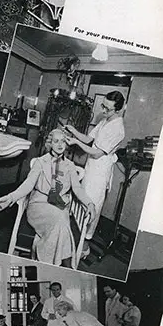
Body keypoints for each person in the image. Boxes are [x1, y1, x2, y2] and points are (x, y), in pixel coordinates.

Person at [0, 129, 95, 267]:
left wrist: (90, 204)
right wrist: (11, 197)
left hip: (60, 206)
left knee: (61, 222)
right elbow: (28, 184)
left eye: (63, 141)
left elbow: (77, 189)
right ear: (50, 143)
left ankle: (44, 263)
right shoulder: (40, 162)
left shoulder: (70, 166)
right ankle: (65, 265)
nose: (60, 144)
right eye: (56, 141)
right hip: (39, 205)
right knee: (61, 223)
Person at [64, 91, 126, 258]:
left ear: (118, 110)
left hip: (100, 172)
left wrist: (75, 142)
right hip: (91, 167)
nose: (104, 110)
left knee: (92, 205)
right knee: (81, 202)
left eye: (108, 108)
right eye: (103, 106)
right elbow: (88, 139)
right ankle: (75, 239)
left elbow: (97, 153)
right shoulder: (106, 120)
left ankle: (84, 246)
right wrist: (73, 131)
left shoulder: (118, 129)